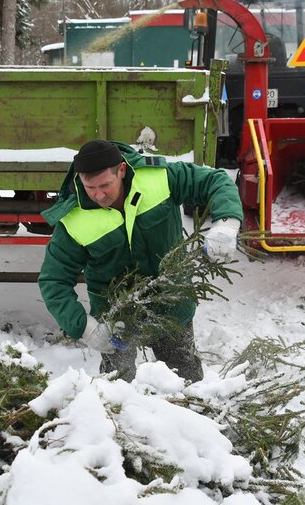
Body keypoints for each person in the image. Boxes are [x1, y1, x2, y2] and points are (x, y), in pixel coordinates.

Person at [38, 139, 243, 382]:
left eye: (105, 185)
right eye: (90, 187)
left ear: (121, 170)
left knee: (184, 376)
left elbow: (215, 180)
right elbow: (53, 280)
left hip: (172, 302)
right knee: (118, 384)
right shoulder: (73, 219)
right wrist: (87, 329)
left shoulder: (158, 179)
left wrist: (226, 223)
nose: (98, 195)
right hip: (117, 318)